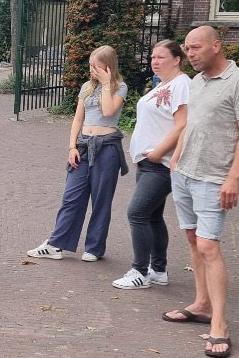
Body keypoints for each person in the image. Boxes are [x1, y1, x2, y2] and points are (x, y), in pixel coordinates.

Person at [162, 24, 239, 358]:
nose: (189, 54)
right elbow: (190, 123)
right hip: (184, 173)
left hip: (213, 177)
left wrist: (234, 178)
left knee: (208, 246)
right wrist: (176, 157)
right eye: (187, 48)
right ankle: (201, 304)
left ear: (216, 46)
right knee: (192, 239)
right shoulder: (197, 82)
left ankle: (220, 324)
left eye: (195, 48)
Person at [27, 45, 128, 262]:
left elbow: (108, 111)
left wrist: (106, 84)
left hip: (107, 148)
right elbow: (78, 119)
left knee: (101, 200)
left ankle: (94, 248)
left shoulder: (120, 87)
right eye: (90, 65)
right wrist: (72, 147)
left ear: (108, 67)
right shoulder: (86, 87)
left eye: (97, 66)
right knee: (71, 196)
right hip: (83, 146)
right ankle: (56, 244)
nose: (92, 70)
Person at [112, 39, 190, 290]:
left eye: (161, 57)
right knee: (153, 216)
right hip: (148, 163)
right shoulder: (163, 84)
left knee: (137, 213)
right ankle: (158, 270)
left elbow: (183, 124)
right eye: (153, 57)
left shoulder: (182, 84)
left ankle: (140, 271)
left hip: (161, 164)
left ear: (176, 59)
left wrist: (158, 153)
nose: (155, 61)